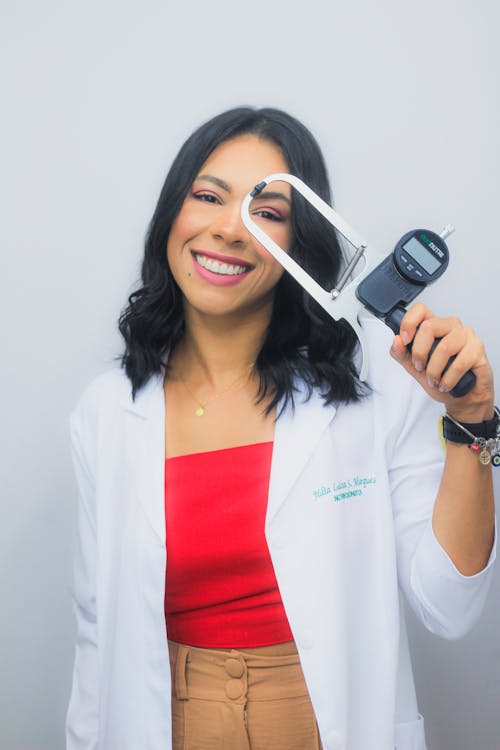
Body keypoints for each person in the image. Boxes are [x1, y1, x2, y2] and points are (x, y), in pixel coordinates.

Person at [66, 107, 496, 750]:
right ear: (170, 217)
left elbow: (450, 607)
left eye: (266, 213)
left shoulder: (377, 387)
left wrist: (472, 422)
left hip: (326, 723)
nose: (228, 230)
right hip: (166, 723)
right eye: (207, 196)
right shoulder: (105, 412)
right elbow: (96, 633)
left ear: (302, 243)